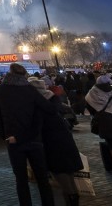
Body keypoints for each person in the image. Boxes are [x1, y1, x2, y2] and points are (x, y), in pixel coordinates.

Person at [0, 63, 56, 206]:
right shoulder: (30, 90)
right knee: (42, 179)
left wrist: (5, 135)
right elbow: (50, 109)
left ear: (9, 74)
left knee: (21, 180)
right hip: (34, 138)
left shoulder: (0, 90)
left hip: (13, 140)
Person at [28, 77, 84, 206]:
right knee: (69, 176)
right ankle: (73, 199)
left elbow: (36, 126)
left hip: (51, 144)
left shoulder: (37, 104)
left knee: (62, 175)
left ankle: (72, 201)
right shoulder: (54, 100)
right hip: (65, 140)